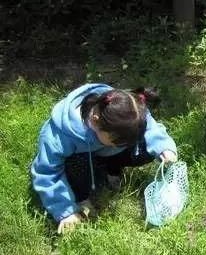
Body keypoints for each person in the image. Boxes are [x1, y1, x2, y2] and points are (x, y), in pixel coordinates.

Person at [31, 84, 177, 233]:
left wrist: (163, 146)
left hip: (101, 150)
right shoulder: (58, 136)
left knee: (143, 146)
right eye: (117, 141)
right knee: (77, 162)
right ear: (95, 120)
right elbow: (47, 173)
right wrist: (64, 210)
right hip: (81, 158)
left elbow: (147, 123)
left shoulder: (121, 107)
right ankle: (81, 197)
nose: (122, 145)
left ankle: (111, 170)